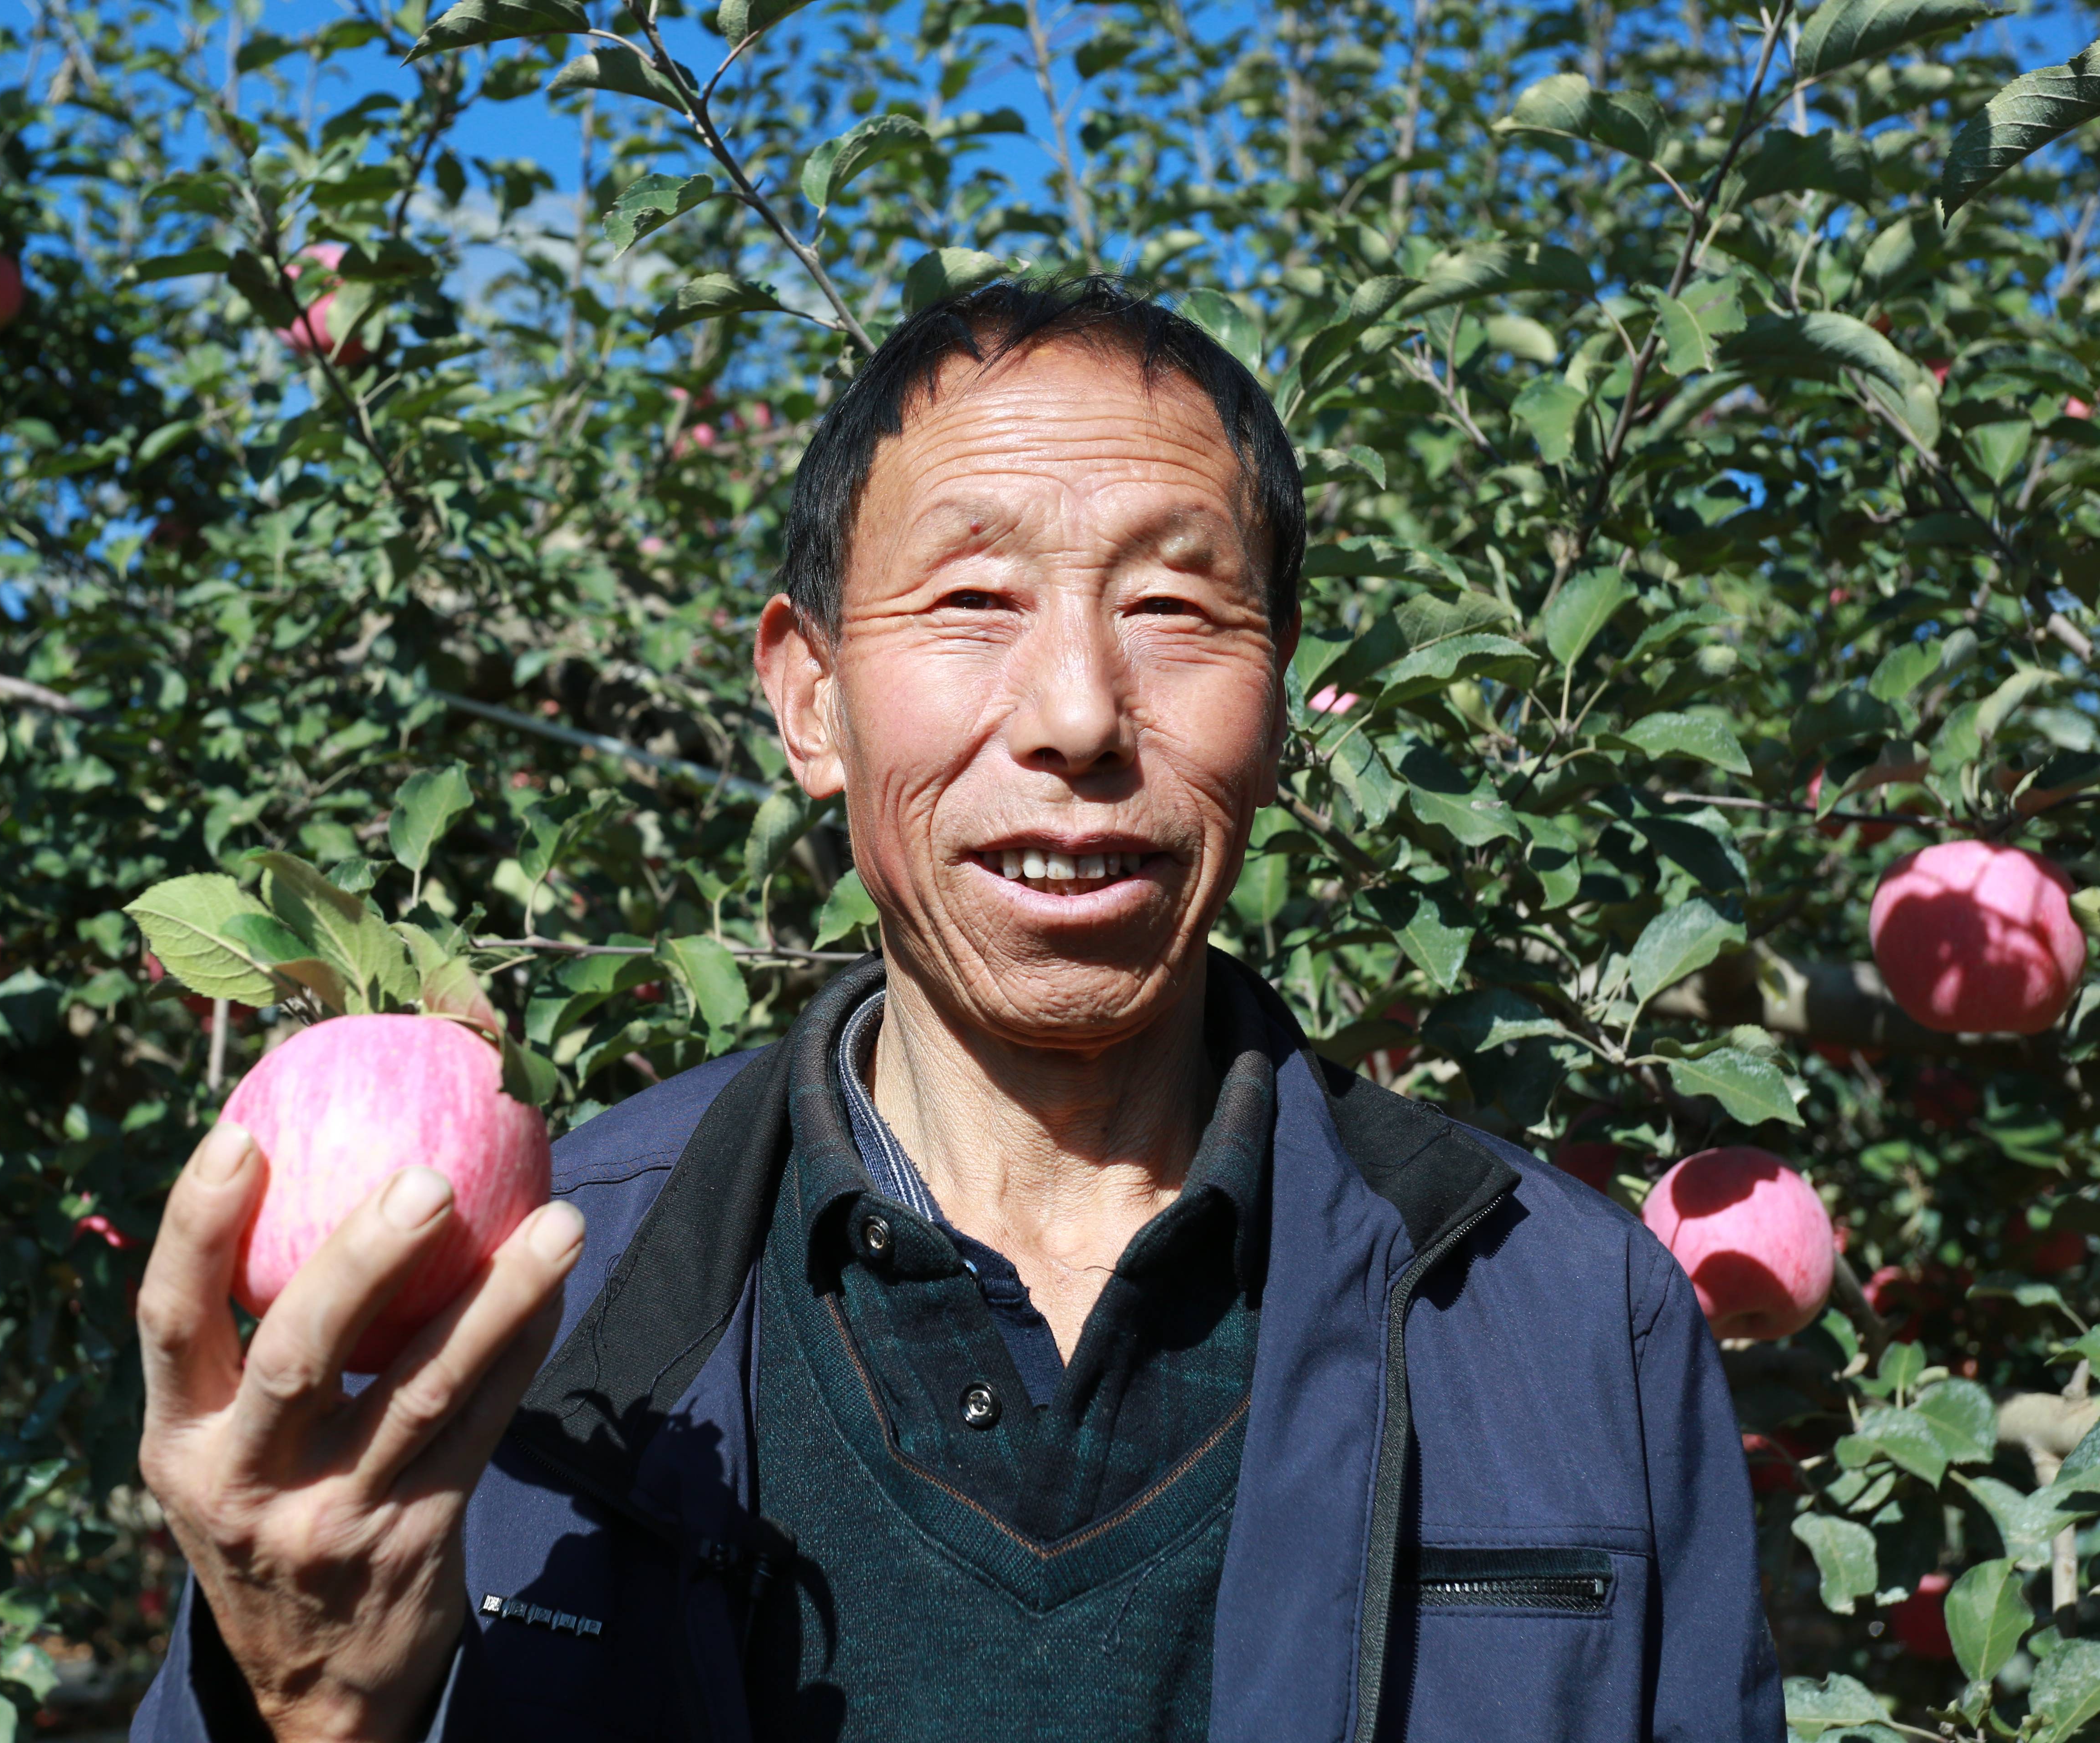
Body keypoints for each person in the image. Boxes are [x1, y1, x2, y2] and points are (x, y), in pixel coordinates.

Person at [129, 277, 1782, 1743]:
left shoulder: (1574, 1323)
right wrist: (300, 1709)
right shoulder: (505, 1318)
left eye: (1176, 609)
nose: (1076, 713)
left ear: (1280, 700)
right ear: (809, 697)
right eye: (974, 599)